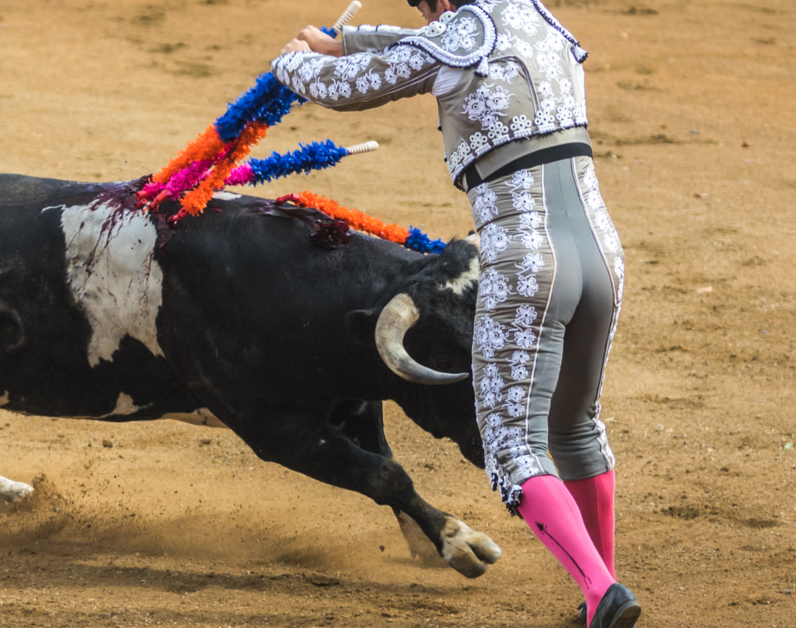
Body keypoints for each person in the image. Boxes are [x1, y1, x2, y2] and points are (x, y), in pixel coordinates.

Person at [271, 1, 640, 627]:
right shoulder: (536, 16)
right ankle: (596, 591)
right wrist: (351, 38)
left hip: (529, 260)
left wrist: (293, 64)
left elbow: (350, 88)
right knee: (577, 427)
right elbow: (442, 39)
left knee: (512, 443)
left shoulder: (449, 37)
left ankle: (602, 592)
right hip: (603, 253)